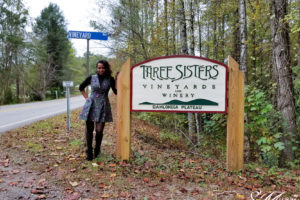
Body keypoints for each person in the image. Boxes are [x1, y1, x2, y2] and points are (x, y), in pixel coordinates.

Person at [79, 60, 117, 161]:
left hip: (103, 106)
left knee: (99, 130)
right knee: (89, 129)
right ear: (97, 68)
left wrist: (118, 80)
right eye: (99, 68)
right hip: (91, 105)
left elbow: (116, 92)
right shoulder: (92, 77)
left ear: (106, 68)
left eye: (102, 68)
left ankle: (97, 149)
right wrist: (87, 98)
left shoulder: (110, 79)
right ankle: (89, 151)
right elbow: (81, 87)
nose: (100, 70)